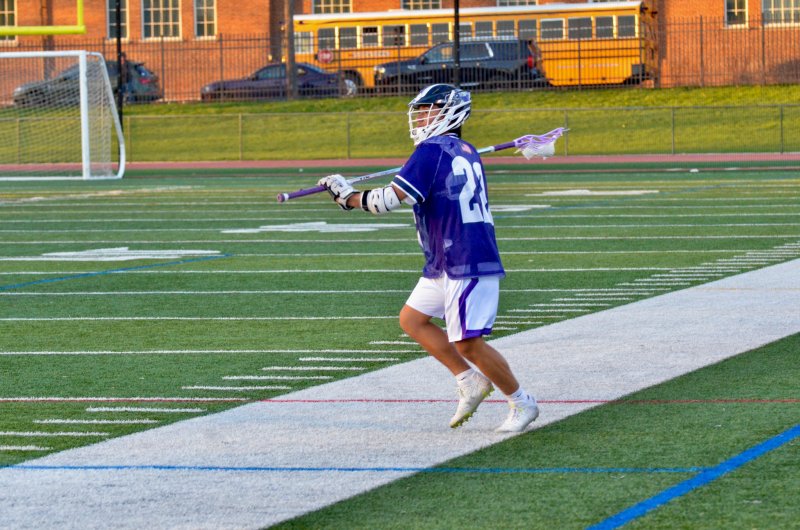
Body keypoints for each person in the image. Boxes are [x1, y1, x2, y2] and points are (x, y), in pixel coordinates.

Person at [317, 84, 538, 433]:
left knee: (467, 341)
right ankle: (469, 381)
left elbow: (387, 200)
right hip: (446, 256)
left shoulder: (431, 151)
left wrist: (346, 196)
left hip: (464, 256)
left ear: (449, 112)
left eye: (428, 109)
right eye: (421, 110)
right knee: (412, 320)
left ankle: (522, 402)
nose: (421, 116)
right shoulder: (462, 149)